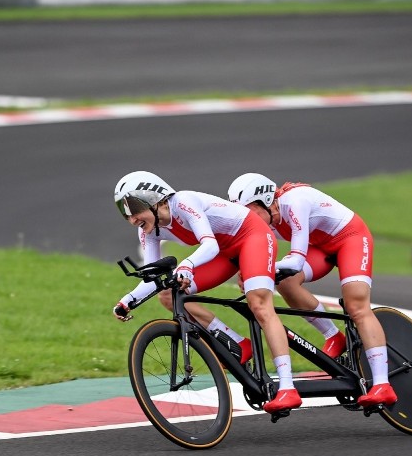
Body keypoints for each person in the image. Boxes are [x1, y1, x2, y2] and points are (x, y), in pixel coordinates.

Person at [112, 171, 303, 413]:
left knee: (259, 305)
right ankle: (237, 343)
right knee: (169, 295)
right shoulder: (148, 229)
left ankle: (288, 387)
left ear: (155, 198)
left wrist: (187, 265)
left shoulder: (183, 202)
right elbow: (153, 277)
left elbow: (209, 244)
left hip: (251, 237)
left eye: (133, 207)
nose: (131, 218)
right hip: (224, 252)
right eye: (124, 211)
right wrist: (128, 301)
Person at [227, 173, 397, 407]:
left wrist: (262, 270)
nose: (248, 219)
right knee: (286, 283)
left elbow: (296, 261)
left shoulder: (295, 202)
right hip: (321, 246)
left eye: (249, 211)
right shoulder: (267, 215)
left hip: (351, 239)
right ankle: (334, 336)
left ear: (265, 201)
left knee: (356, 306)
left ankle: (382, 385)